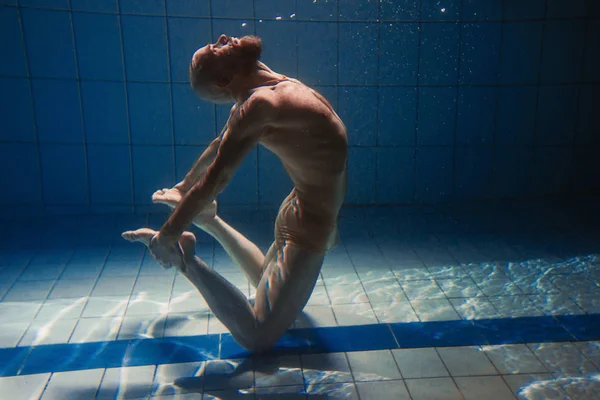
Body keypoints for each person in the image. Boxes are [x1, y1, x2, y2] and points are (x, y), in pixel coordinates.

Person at [122, 34, 348, 352]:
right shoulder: (260, 104)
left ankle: (210, 221)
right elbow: (216, 178)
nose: (223, 38)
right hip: (310, 219)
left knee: (263, 278)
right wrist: (168, 234)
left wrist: (184, 187)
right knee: (256, 337)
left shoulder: (266, 88)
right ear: (226, 78)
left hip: (300, 206)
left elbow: (217, 144)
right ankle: (185, 260)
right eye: (214, 50)